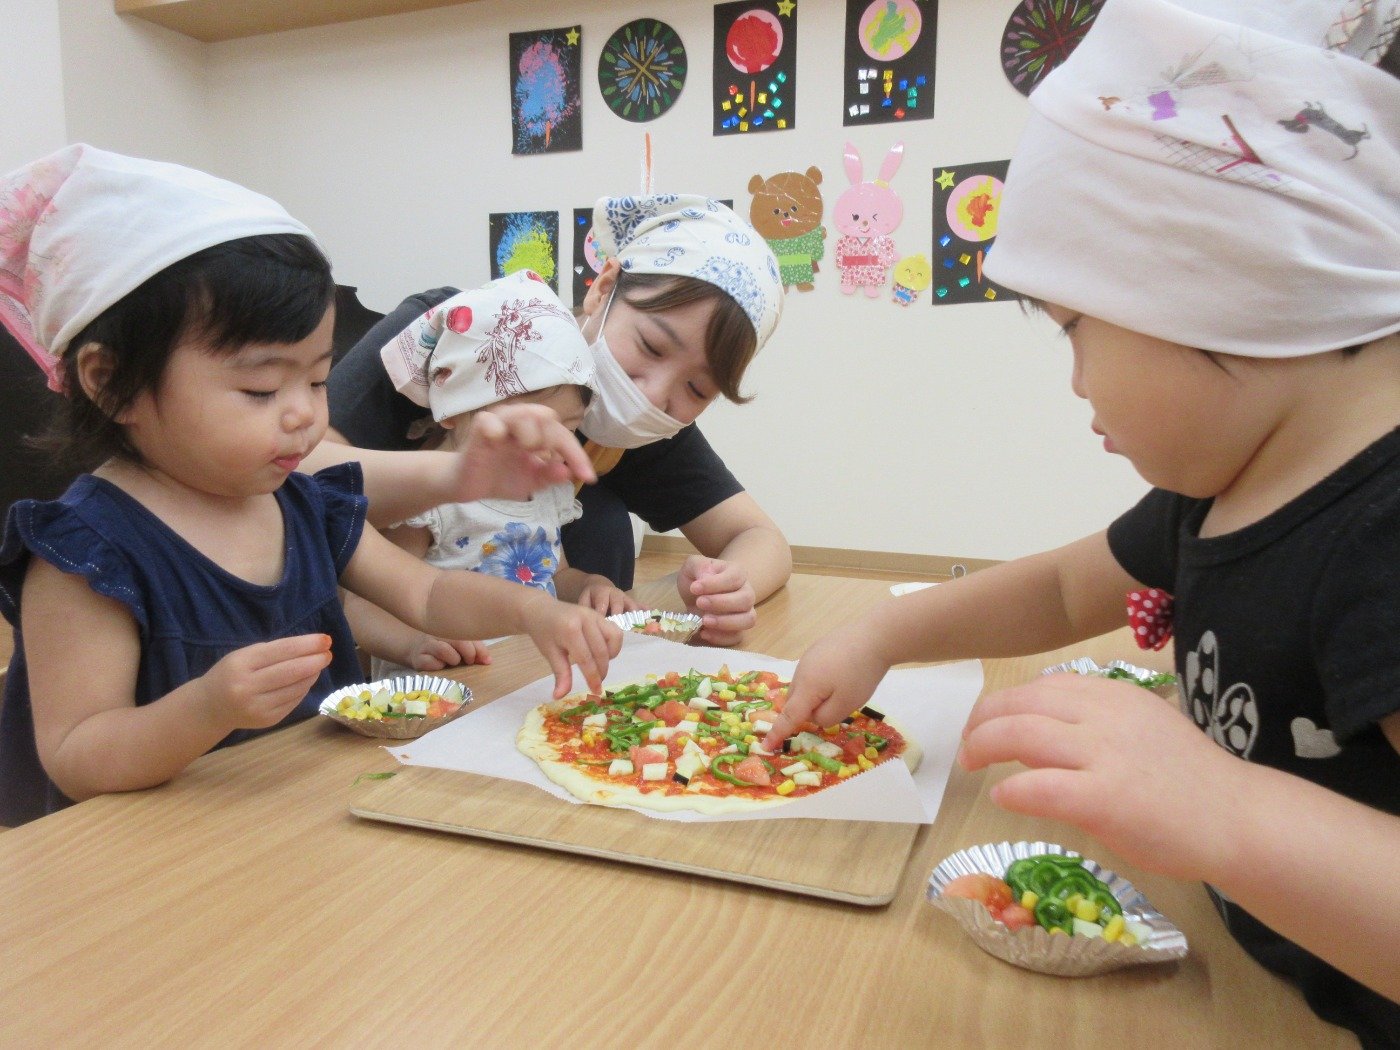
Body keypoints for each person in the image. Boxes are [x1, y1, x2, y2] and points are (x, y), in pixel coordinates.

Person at [763, 1, 1400, 1044]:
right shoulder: (1225, 487)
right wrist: (880, 633)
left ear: (1218, 283)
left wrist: (1226, 813)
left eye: (1072, 328)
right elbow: (1064, 590)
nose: (1074, 383)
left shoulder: (1381, 536)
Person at [0, 145, 620, 828]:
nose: (303, 413)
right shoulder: (85, 550)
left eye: (318, 379)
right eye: (262, 388)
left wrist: (532, 612)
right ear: (111, 382)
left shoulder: (300, 503)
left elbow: (427, 594)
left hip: (299, 824)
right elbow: (75, 753)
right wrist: (206, 708)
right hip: (148, 857)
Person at [318, 194, 792, 647]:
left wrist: (725, 588)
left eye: (698, 390)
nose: (652, 394)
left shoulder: (645, 429)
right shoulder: (460, 339)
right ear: (603, 288)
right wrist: (452, 476)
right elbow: (303, 475)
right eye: (650, 346)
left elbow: (760, 538)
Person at [344, 270, 635, 680]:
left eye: (566, 429)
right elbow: (364, 605)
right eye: (525, 426)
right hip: (439, 690)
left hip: (516, 680)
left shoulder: (544, 491)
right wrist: (412, 644)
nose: (547, 446)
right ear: (454, 410)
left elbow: (556, 574)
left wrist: (590, 585)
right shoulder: (427, 500)